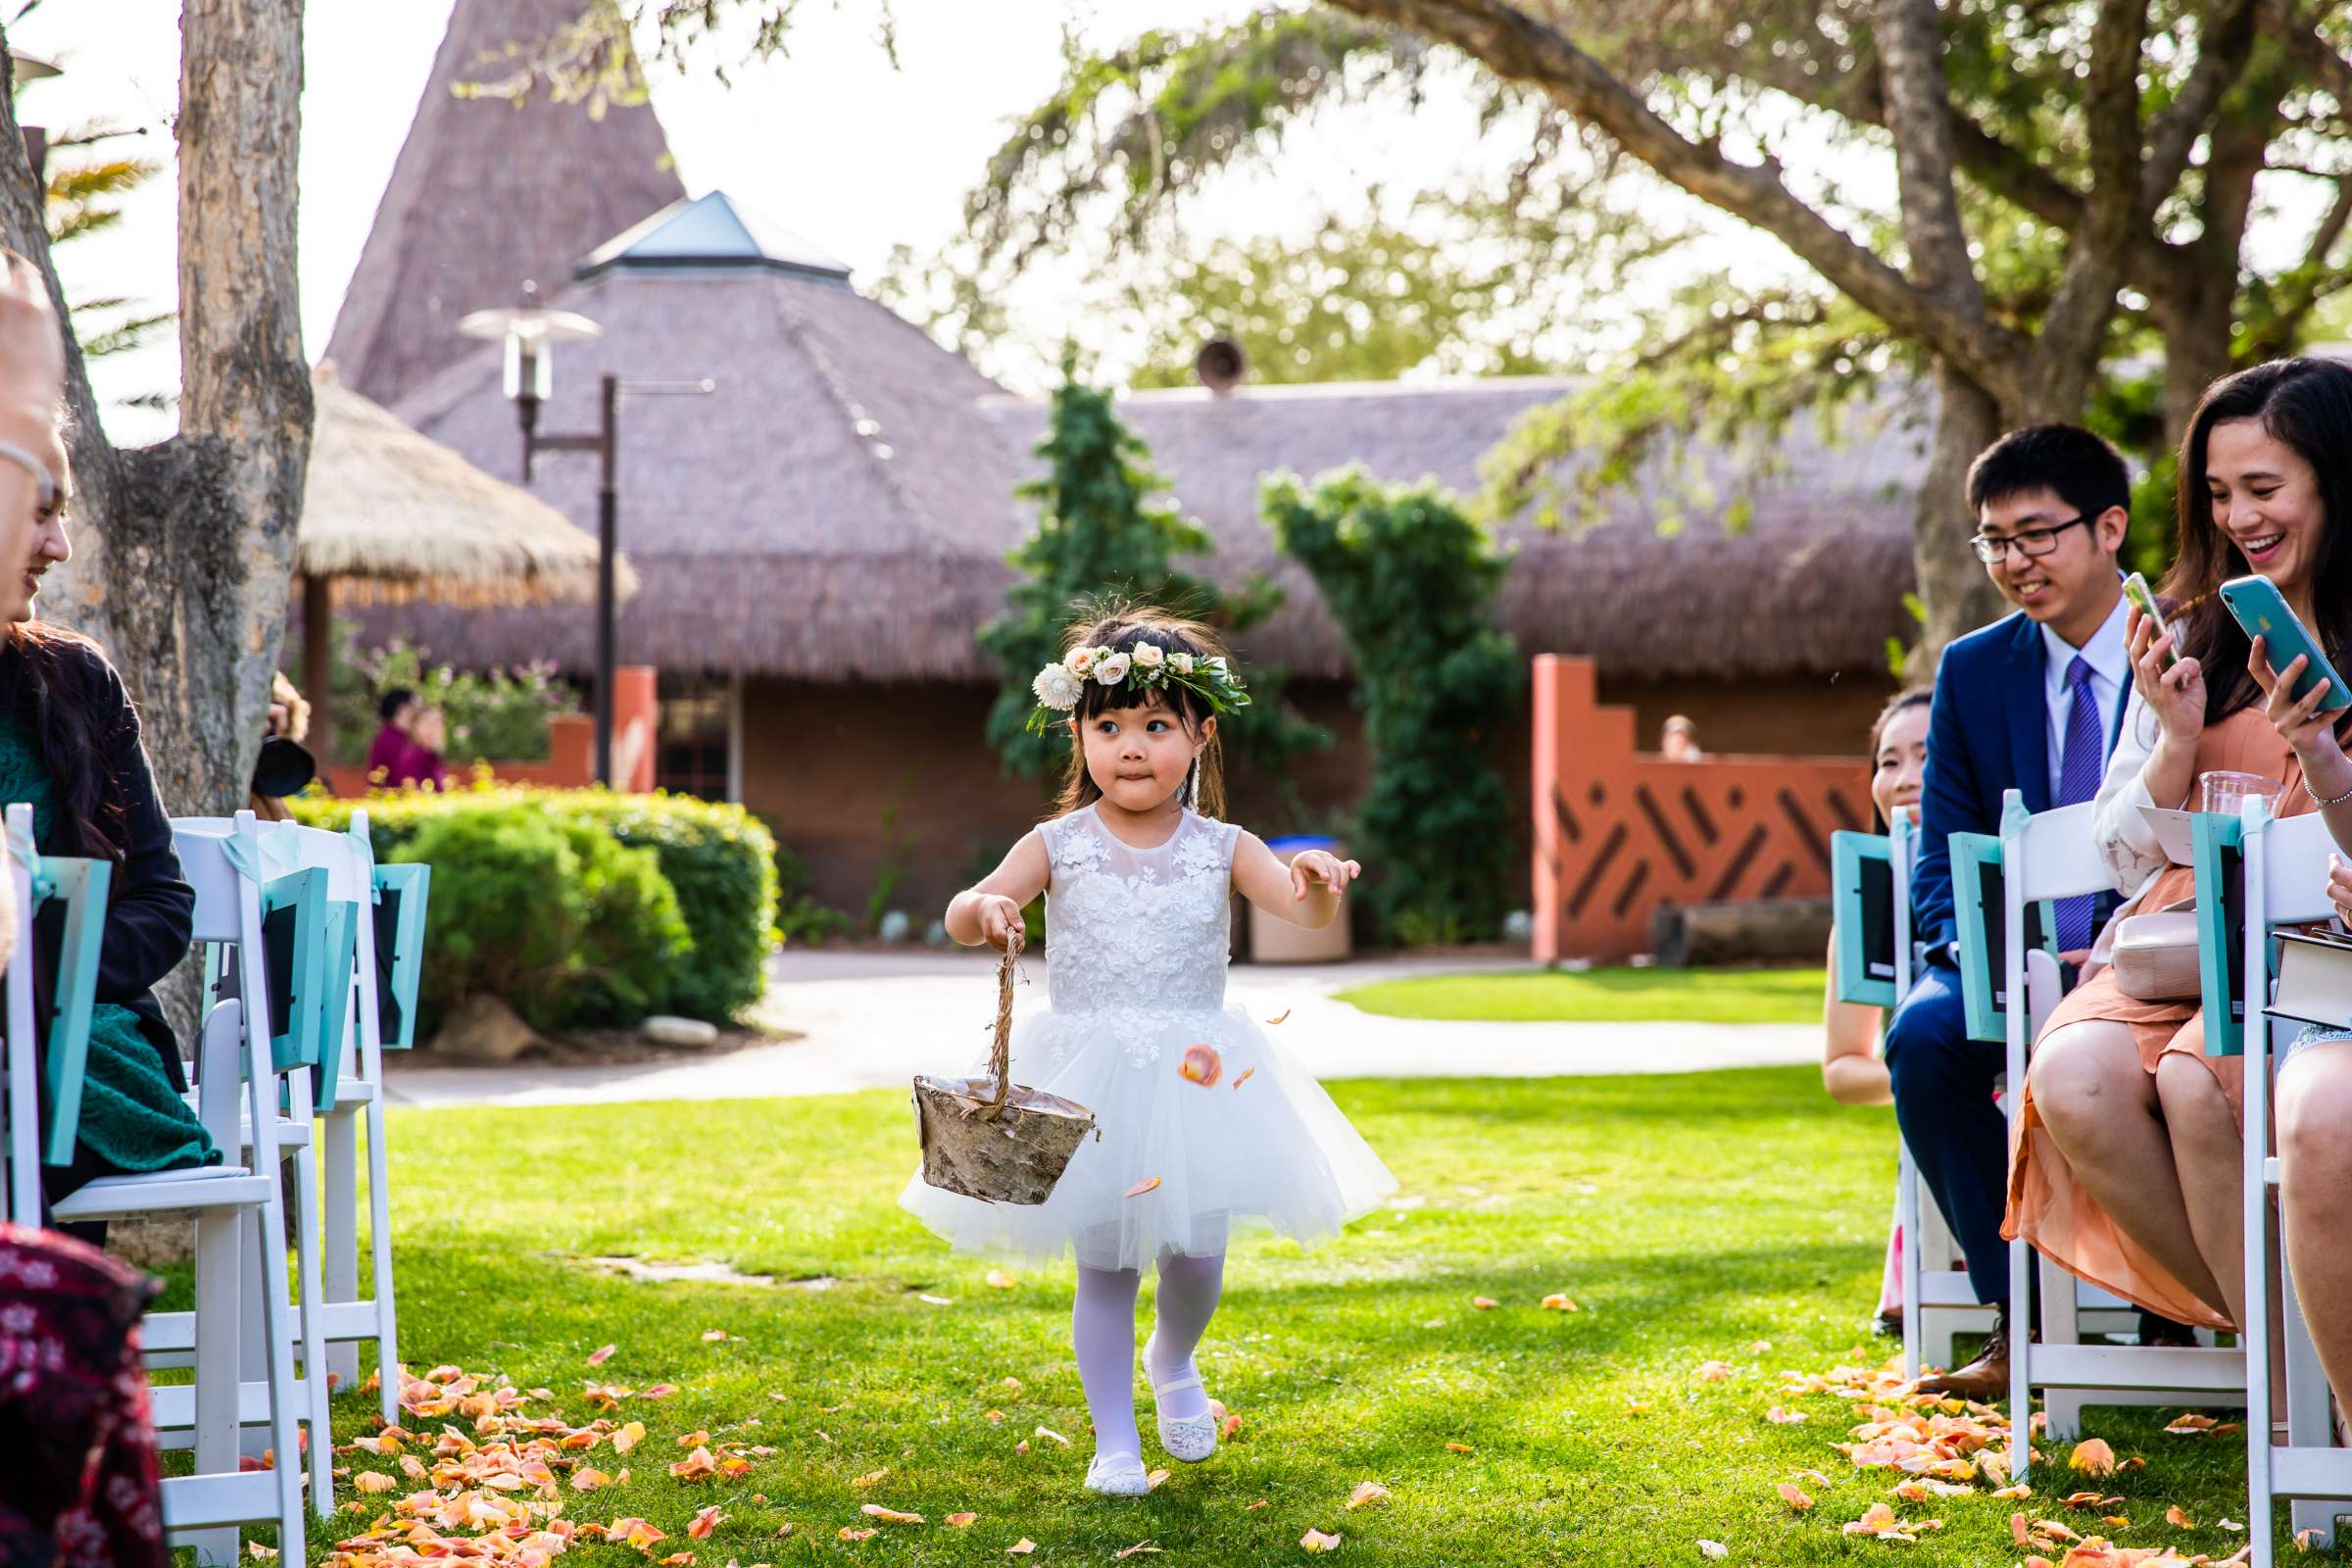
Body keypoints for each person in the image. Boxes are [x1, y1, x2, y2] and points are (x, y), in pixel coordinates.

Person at [901, 609, 1396, 1496]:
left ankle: (1174, 1360)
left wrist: (1318, 885)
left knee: (1198, 1259)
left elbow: (1298, 906)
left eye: (1156, 726)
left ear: (1200, 735)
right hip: (1091, 1090)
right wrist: (986, 913)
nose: (1132, 747)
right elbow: (963, 909)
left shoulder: (1222, 848)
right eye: (1110, 726)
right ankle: (1114, 1441)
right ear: (1081, 734)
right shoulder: (1057, 845)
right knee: (1107, 1266)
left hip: (1197, 1079)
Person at [2015, 357, 2352, 1380]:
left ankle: (2295, 1388)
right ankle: (2280, 1347)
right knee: (2070, 1074)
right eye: (2217, 494)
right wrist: (2172, 736)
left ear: (2336, 481)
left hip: (2306, 942)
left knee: (2201, 1078)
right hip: (2175, 938)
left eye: (2264, 488)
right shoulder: (2184, 627)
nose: (2239, 516)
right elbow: (2117, 855)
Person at [1889, 423, 2139, 1398]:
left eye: (2036, 535)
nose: (2012, 562)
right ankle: (2018, 1318)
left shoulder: (2193, 643)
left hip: (2148, 959)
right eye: (1993, 540)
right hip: (2007, 964)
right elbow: (1946, 856)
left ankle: (2171, 1308)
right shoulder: (1972, 669)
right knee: (1923, 1034)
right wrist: (1977, 954)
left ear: (2109, 526)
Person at [0, 253, 216, 1222]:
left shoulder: (73, 679)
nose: (58, 545)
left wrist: (41, 983)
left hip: (77, 1042)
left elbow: (163, 901)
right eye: (40, 512)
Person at [1820, 687, 1930, 1333]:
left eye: (1926, 755)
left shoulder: (2023, 884)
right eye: (1888, 762)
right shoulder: (1861, 917)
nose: (1905, 777)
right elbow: (1841, 1069)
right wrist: (1935, 1082)